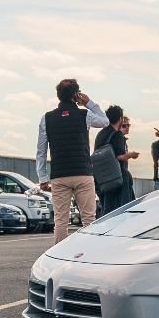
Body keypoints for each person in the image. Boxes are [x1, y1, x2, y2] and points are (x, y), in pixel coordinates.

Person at [36, 78, 108, 244]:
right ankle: (89, 254)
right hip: (83, 172)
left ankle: (59, 258)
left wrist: (42, 178)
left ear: (58, 96)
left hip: (60, 175)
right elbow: (104, 121)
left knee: (61, 221)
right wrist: (89, 102)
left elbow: (41, 151)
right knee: (89, 219)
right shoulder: (85, 115)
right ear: (76, 95)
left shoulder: (46, 118)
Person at [94, 105, 139, 215]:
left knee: (107, 209)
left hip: (102, 178)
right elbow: (119, 156)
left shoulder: (101, 133)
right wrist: (131, 155)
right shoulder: (117, 135)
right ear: (120, 119)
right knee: (121, 209)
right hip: (117, 178)